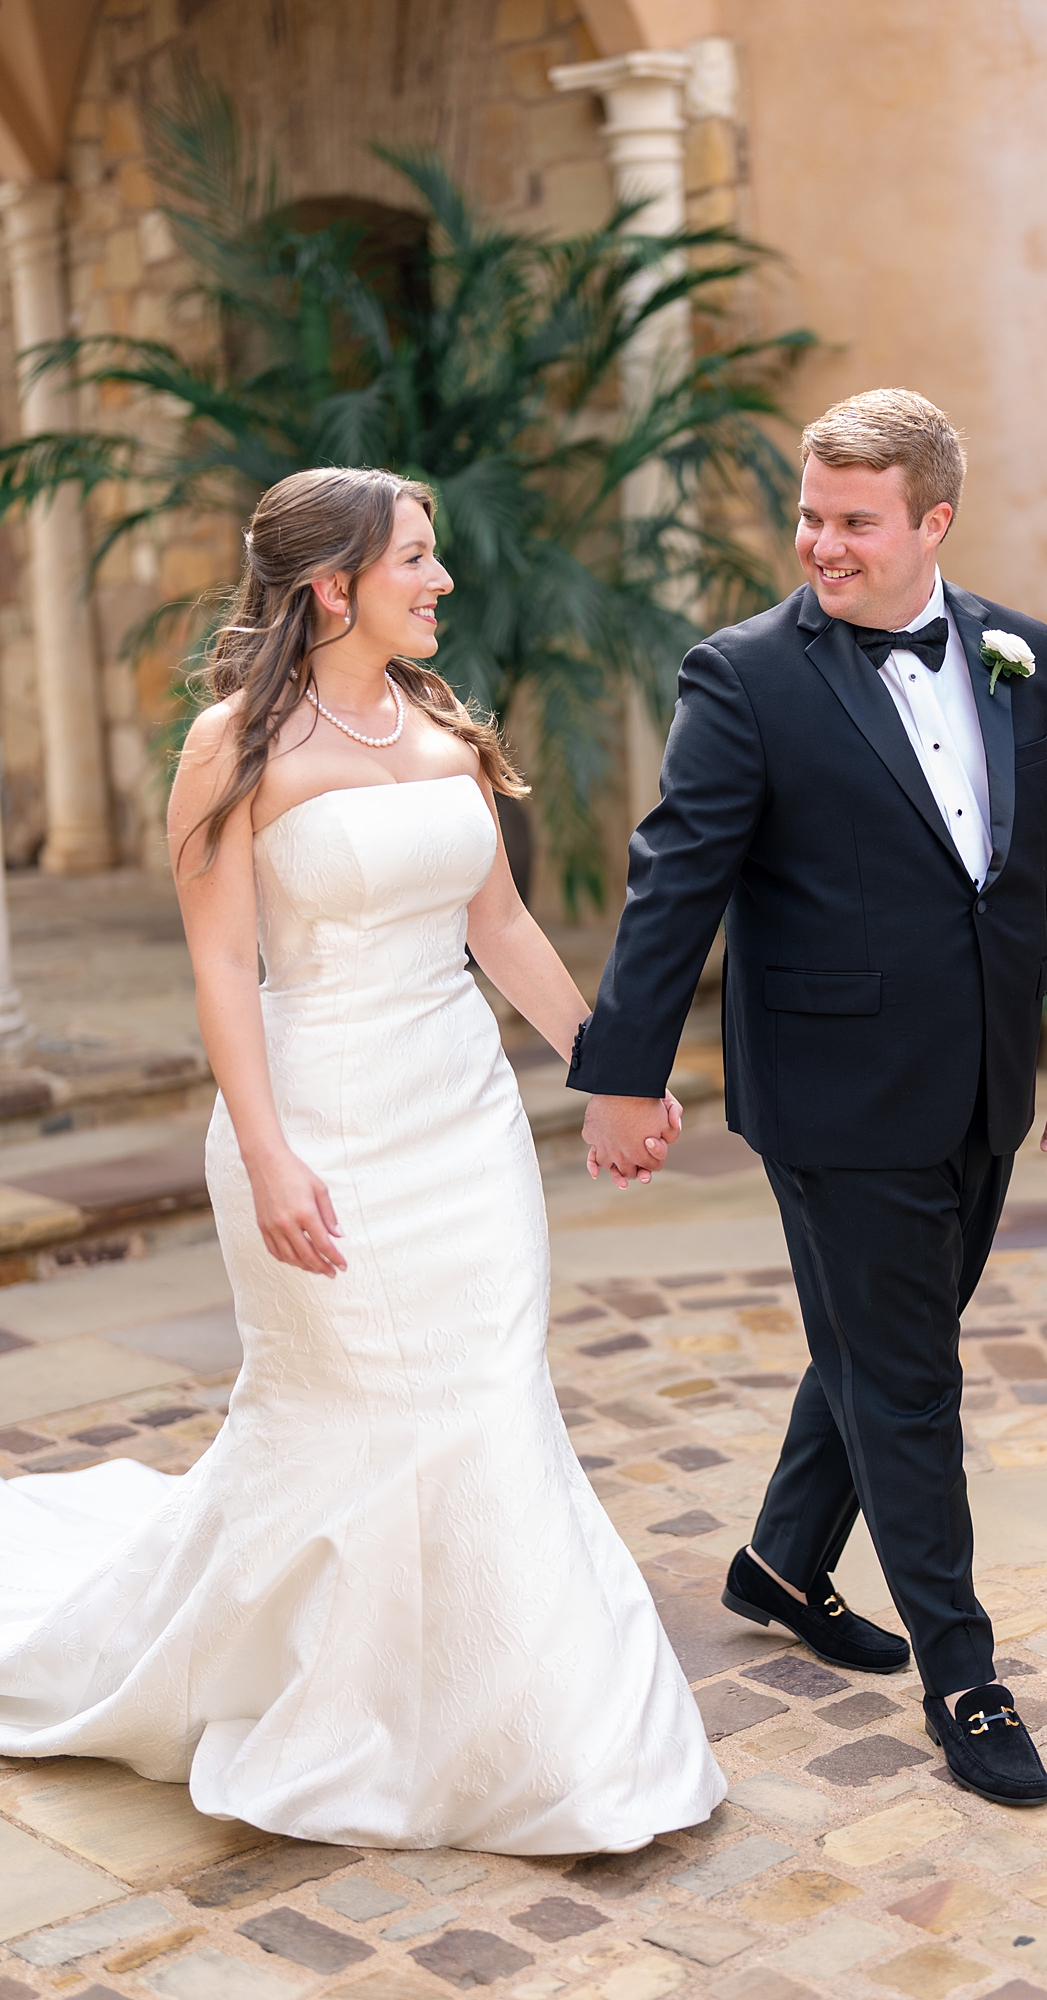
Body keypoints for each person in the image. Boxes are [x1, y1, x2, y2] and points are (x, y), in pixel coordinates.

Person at [0, 467, 724, 1854]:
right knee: (348, 1411)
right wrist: (267, 1155)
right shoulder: (232, 746)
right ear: (332, 585)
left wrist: (613, 1069)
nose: (442, 579)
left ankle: (533, 1736)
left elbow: (500, 927)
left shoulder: (442, 721)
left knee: (488, 1399)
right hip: (319, 1118)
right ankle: (362, 1714)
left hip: (461, 1122)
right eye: (416, 558)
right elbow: (220, 966)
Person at [572, 389, 1047, 1808]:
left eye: (854, 522)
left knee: (887, 1343)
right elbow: (674, 881)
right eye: (809, 515)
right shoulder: (744, 674)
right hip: (833, 1093)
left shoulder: (1026, 658)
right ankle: (966, 1674)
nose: (820, 543)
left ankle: (777, 1563)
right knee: (911, 1377)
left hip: (987, 1078)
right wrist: (624, 1075)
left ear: (933, 521)